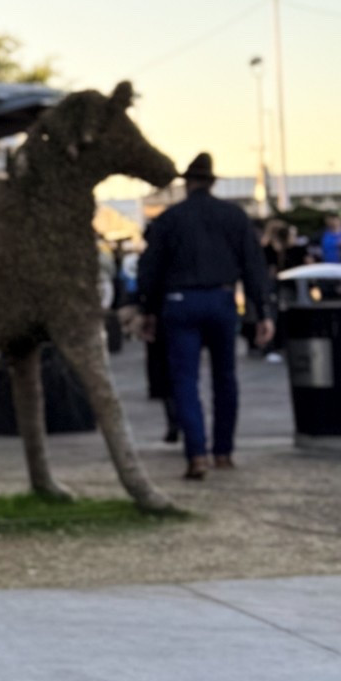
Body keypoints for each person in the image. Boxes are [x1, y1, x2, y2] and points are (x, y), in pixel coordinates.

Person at [136, 152, 274, 479]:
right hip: (222, 299)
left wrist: (148, 310)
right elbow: (253, 266)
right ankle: (223, 451)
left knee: (185, 380)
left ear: (187, 183)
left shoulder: (168, 219)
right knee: (225, 377)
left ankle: (196, 454)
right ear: (212, 182)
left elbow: (150, 270)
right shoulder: (233, 216)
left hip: (179, 301)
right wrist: (263, 311)